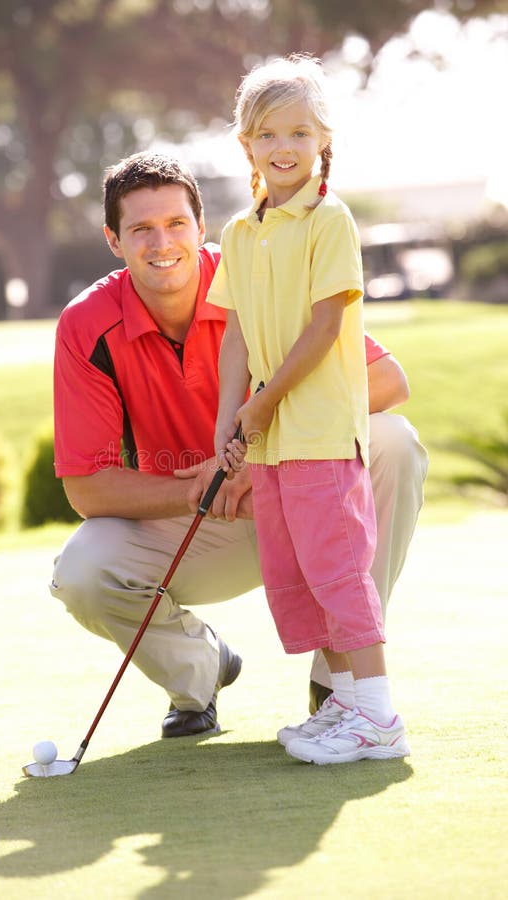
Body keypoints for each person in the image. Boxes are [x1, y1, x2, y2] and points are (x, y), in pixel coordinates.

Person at [50, 149, 428, 743]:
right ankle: (201, 673)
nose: (161, 242)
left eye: (176, 223)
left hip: (304, 491)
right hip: (200, 520)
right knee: (82, 571)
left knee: (393, 444)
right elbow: (86, 487)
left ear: (201, 228)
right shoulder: (85, 324)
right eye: (141, 229)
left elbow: (387, 382)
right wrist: (198, 483)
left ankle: (341, 675)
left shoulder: (257, 270)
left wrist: (261, 455)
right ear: (113, 240)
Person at [205, 54, 413, 764]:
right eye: (268, 134)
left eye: (300, 131)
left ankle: (379, 718)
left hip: (319, 432)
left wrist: (261, 404)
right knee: (294, 573)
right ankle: (348, 706)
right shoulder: (238, 232)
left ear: (324, 140)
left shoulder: (331, 220)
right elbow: (233, 332)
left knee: (337, 568)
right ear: (246, 146)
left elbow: (326, 327)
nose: (284, 146)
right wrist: (227, 419)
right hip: (268, 442)